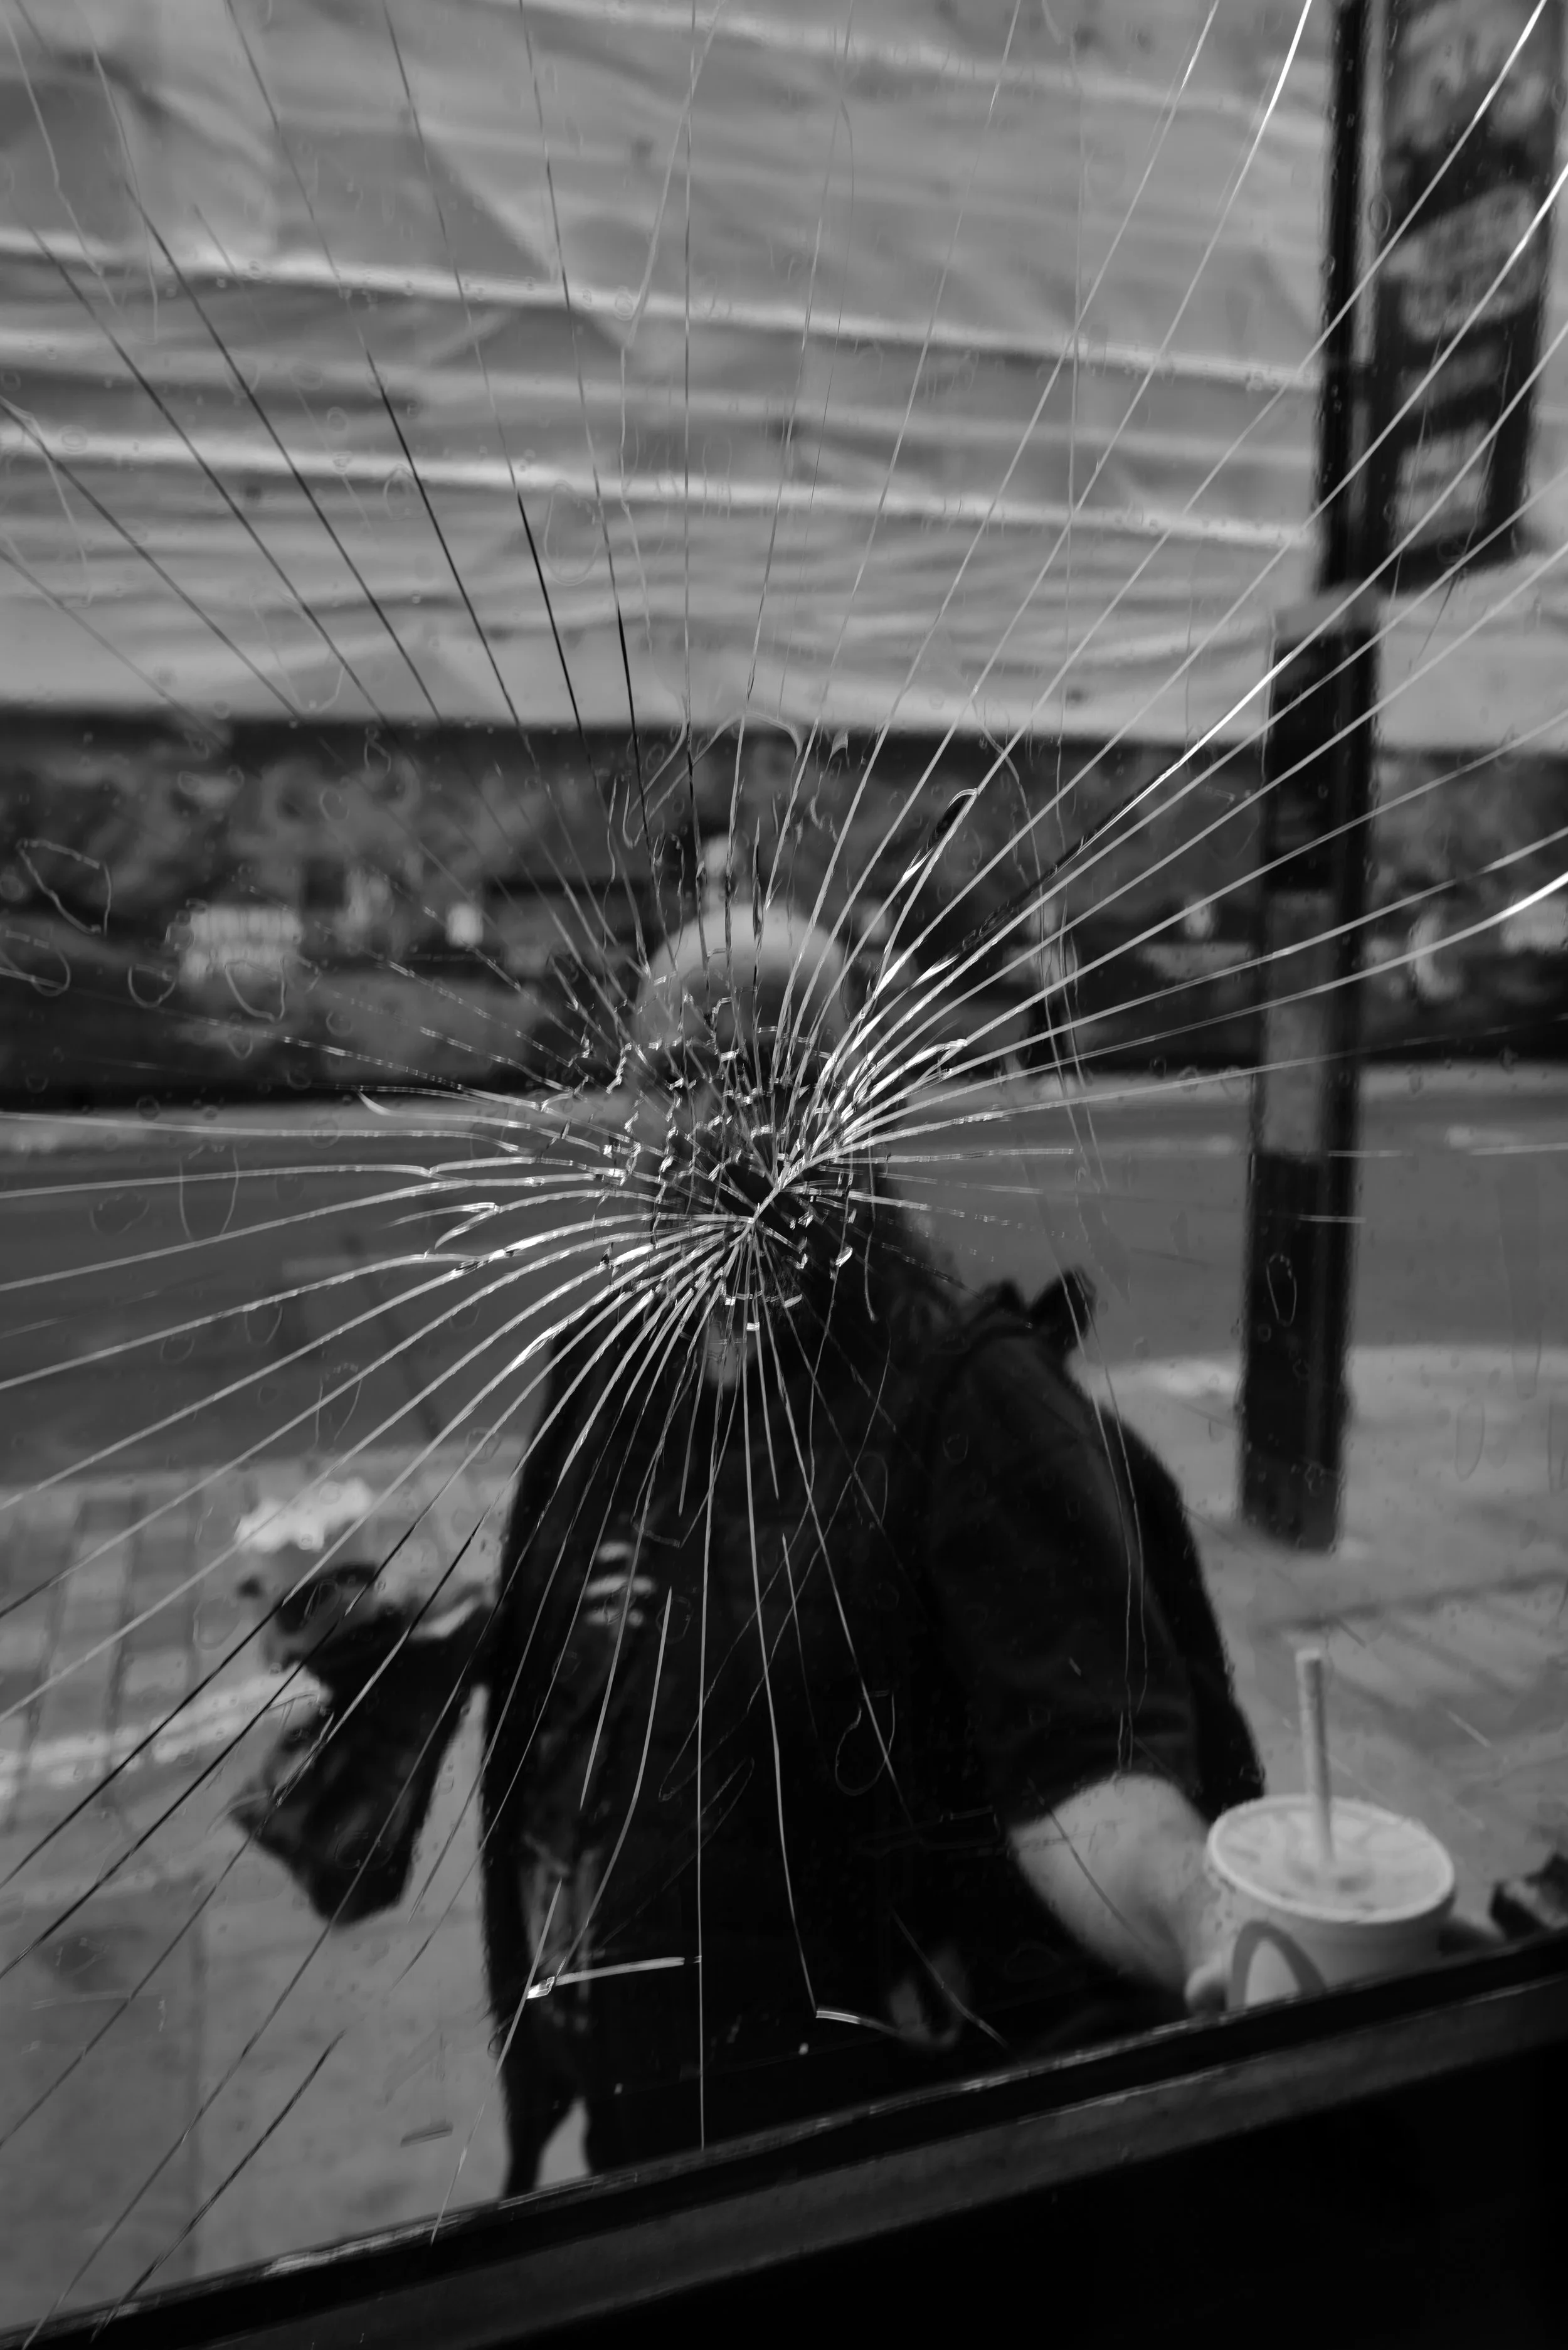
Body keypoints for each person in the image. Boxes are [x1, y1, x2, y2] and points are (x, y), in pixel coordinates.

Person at [474, 893, 1265, 2193]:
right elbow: (590, 1657)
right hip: (636, 2126)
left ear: (854, 1101)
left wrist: (1204, 1909)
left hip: (849, 2165)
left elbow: (1084, 1773)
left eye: (771, 1079)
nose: (717, 1128)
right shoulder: (608, 1367)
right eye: (674, 1079)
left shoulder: (967, 1399)